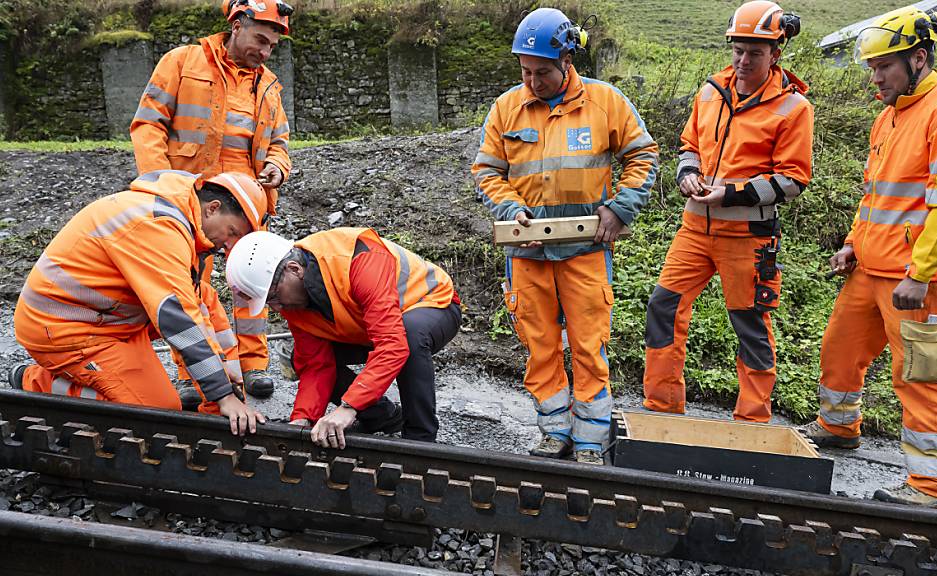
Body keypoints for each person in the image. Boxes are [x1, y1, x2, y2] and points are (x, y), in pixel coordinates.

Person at [800, 7, 937, 511]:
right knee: (839, 352)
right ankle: (837, 427)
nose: (875, 76)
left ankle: (932, 488)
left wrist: (921, 274)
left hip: (918, 279)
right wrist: (850, 244)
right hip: (871, 268)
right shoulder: (890, 116)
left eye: (883, 66)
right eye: (872, 67)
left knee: (923, 376)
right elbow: (876, 197)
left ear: (919, 59)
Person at [472, 8, 658, 465]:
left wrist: (619, 209)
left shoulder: (605, 102)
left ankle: (591, 439)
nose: (532, 82)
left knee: (589, 343)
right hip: (527, 252)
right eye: (525, 72)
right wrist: (512, 209)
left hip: (586, 249)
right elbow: (487, 172)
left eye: (542, 73)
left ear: (567, 62)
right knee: (539, 344)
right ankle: (554, 430)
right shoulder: (506, 108)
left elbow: (644, 157)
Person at [642, 0, 812, 423]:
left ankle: (752, 421)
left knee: (750, 326)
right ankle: (661, 410)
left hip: (748, 241)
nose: (743, 60)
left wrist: (729, 194)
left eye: (755, 52)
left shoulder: (793, 108)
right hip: (694, 230)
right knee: (663, 307)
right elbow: (689, 147)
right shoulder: (710, 91)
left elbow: (792, 180)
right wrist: (687, 176)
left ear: (777, 52)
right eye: (738, 49)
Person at [10, 170, 270, 436]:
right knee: (157, 412)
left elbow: (192, 307)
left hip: (108, 321)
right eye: (232, 232)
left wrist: (224, 385)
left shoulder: (176, 217)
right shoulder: (157, 227)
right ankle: (37, 383)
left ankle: (219, 396)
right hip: (63, 329)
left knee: (204, 297)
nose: (228, 246)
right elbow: (177, 317)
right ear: (213, 209)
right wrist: (222, 394)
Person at [130, 0, 293, 404]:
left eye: (272, 45)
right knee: (187, 286)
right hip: (190, 200)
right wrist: (160, 186)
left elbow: (280, 142)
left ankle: (253, 366)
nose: (265, 51)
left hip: (247, 202)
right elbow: (148, 123)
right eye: (260, 40)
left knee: (253, 283)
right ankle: (190, 372)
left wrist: (277, 166)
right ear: (237, 24)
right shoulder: (183, 62)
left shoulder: (269, 84)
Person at [224, 230, 462, 448]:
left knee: (409, 337)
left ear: (294, 269)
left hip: (432, 306)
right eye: (268, 303)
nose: (275, 308)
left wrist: (349, 407)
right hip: (367, 326)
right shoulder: (292, 296)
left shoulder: (360, 259)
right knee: (301, 356)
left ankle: (420, 439)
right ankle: (383, 417)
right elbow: (316, 363)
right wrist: (302, 420)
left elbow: (392, 345)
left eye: (273, 297)